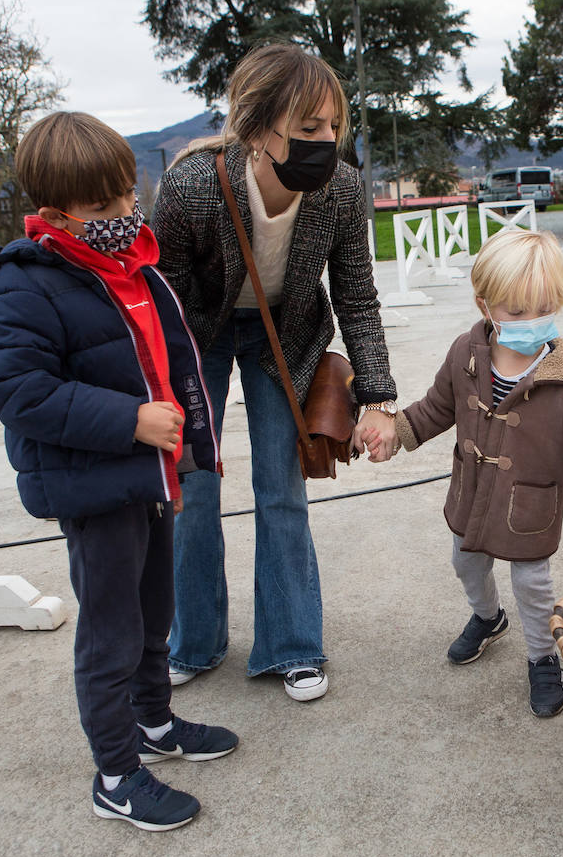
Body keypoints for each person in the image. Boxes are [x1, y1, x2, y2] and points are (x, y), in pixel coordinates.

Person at [0, 112, 239, 831]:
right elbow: (20, 393)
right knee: (110, 632)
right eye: (103, 206)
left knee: (156, 614)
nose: (125, 213)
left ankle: (155, 723)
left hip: (147, 481)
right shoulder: (23, 286)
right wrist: (131, 421)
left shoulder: (131, 270)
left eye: (127, 194)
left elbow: (167, 364)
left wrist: (180, 461)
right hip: (95, 490)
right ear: (56, 214)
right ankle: (117, 775)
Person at [152, 44, 398, 701]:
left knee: (280, 483)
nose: (325, 141)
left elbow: (357, 298)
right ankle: (193, 641)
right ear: (257, 130)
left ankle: (292, 645)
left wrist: (377, 396)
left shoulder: (342, 191)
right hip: (195, 332)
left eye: (333, 128)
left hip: (282, 331)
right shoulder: (191, 186)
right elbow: (161, 304)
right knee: (191, 484)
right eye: (307, 128)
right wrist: (162, 397)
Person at [380, 229, 563, 717]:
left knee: (533, 587)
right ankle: (487, 617)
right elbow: (437, 407)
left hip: (529, 508)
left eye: (543, 308)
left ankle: (541, 656)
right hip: (471, 494)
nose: (531, 321)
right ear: (485, 306)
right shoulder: (466, 354)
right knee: (465, 563)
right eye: (516, 311)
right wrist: (398, 432)